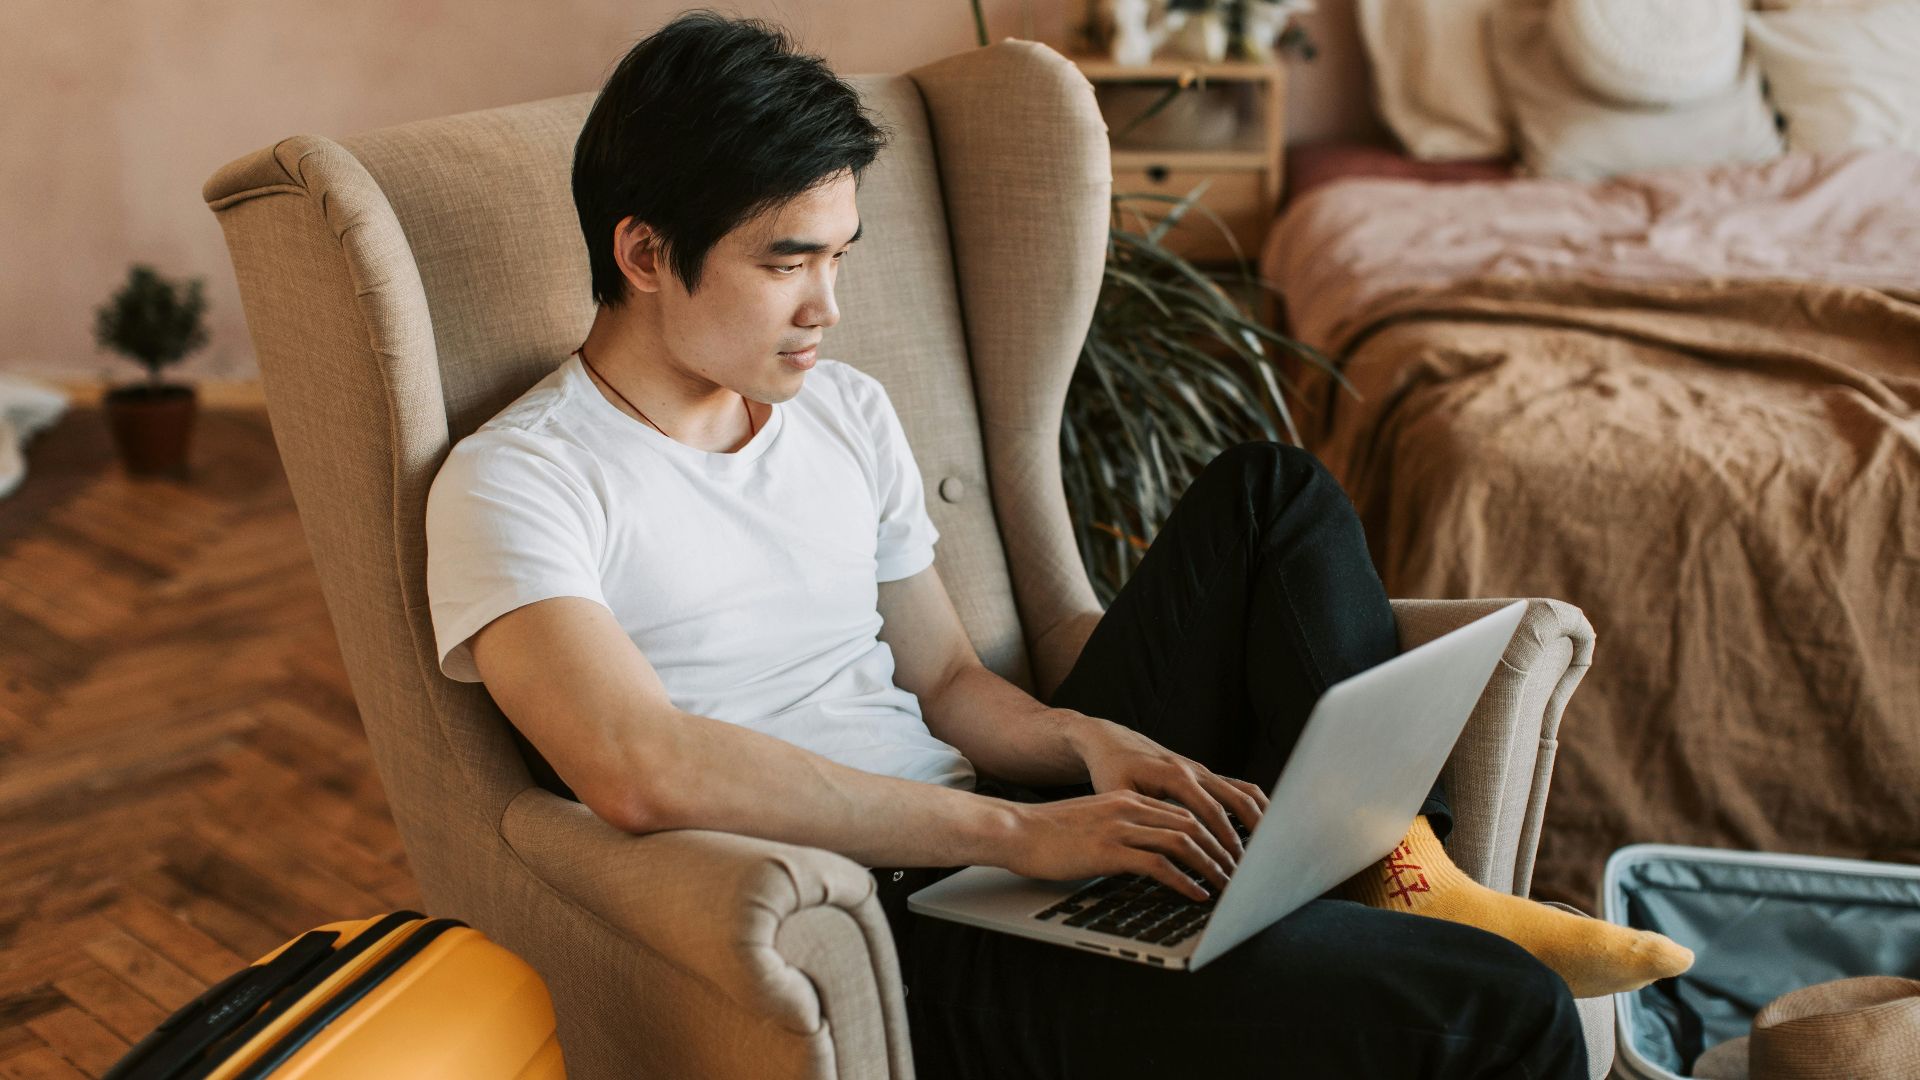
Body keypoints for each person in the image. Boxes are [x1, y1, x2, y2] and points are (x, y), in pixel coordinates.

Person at [423, 12, 1692, 1077]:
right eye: (787, 263)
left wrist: (1090, 745)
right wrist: (1025, 842)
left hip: (990, 832)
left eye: (842, 256)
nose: (829, 308)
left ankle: (1396, 870)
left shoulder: (842, 411)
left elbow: (949, 683)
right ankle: (1359, 908)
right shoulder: (523, 478)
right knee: (1494, 1005)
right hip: (878, 913)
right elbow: (637, 770)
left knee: (1270, 493)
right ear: (643, 252)